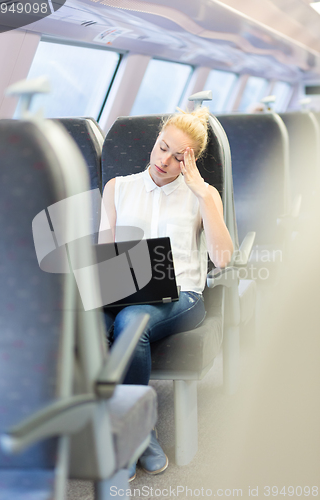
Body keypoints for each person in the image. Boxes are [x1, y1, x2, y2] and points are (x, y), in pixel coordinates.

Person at [99, 106, 233, 481]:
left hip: (182, 297)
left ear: (190, 162)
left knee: (132, 321)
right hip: (125, 292)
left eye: (178, 157)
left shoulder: (202, 195)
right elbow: (103, 257)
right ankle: (122, 432)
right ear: (155, 142)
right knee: (90, 323)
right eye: (162, 148)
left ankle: (135, 435)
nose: (164, 161)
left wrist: (202, 194)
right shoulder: (118, 189)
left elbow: (222, 258)